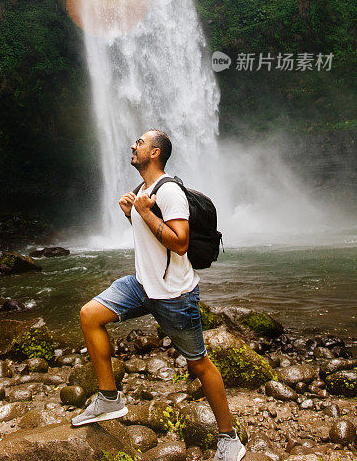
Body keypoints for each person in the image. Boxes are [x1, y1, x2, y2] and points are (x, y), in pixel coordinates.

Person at [71, 129, 246, 461]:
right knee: (89, 315)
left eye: (139, 142)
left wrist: (146, 212)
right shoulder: (142, 191)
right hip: (142, 286)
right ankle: (109, 399)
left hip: (174, 295)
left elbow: (180, 242)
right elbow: (152, 238)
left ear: (154, 153)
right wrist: (131, 213)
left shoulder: (170, 192)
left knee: (199, 365)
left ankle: (230, 439)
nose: (132, 146)